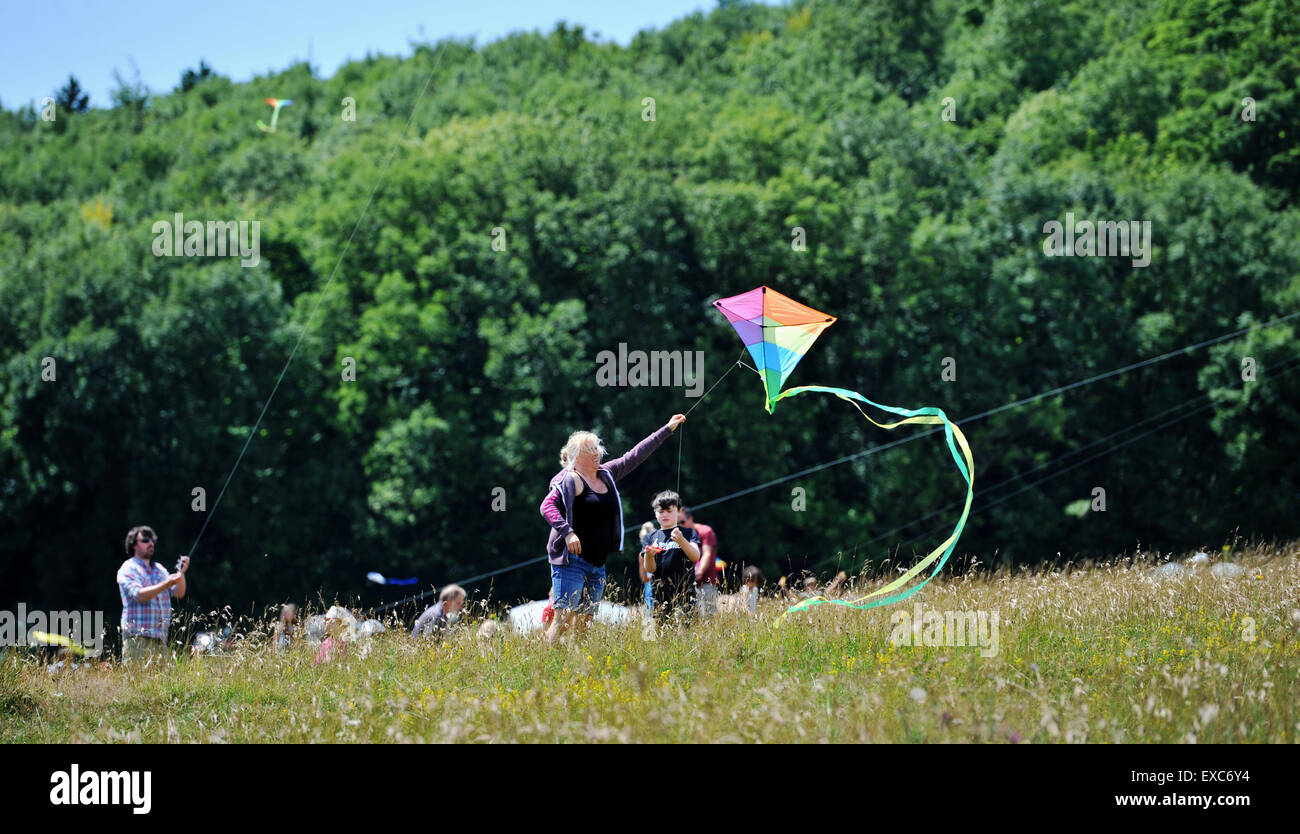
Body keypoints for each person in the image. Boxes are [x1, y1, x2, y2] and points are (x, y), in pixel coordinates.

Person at [540, 415, 686, 646]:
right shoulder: (570, 480)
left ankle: (576, 667)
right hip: (571, 561)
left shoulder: (606, 474)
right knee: (563, 619)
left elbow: (635, 455)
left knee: (586, 621)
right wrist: (568, 532)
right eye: (590, 449)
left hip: (597, 562)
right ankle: (542, 665)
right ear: (576, 457)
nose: (597, 452)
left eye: (597, 447)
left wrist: (667, 429)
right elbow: (546, 506)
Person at [116, 525, 188, 666]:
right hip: (137, 639)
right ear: (133, 545)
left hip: (161, 639)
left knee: (163, 687)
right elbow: (139, 595)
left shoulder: (159, 569)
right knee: (137, 686)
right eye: (145, 540)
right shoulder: (128, 568)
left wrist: (182, 573)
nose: (151, 543)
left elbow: (179, 592)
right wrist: (166, 584)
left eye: (152, 540)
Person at [640, 491, 702, 623]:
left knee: (685, 631)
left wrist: (681, 541)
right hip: (660, 593)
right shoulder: (650, 537)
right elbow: (650, 569)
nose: (665, 515)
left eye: (669, 510)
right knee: (662, 631)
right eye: (661, 512)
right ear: (655, 513)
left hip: (685, 592)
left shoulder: (688, 532)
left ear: (678, 511)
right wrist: (649, 556)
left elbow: (696, 556)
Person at [681, 507, 719, 615]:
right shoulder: (679, 536)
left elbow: (707, 553)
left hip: (706, 582)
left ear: (691, 519)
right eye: (678, 523)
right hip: (687, 585)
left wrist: (700, 571)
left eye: (683, 522)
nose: (681, 525)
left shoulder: (705, 531)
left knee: (708, 617)